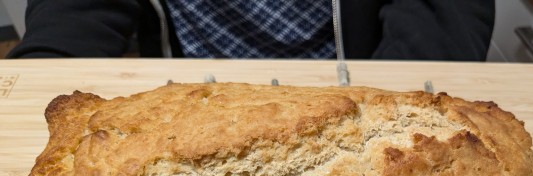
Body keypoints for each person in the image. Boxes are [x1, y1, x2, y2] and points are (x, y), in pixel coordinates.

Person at [7, 0, 495, 61]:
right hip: (188, 91)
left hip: (356, 80)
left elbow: (442, 17)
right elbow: (76, 12)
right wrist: (40, 73)